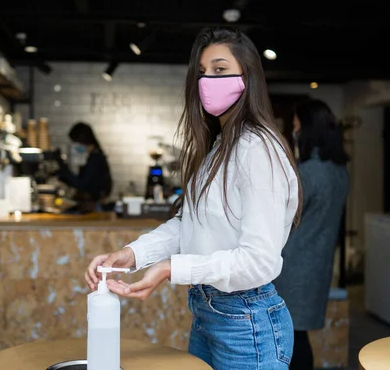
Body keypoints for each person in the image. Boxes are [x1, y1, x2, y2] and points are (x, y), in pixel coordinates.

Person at [84, 28, 302, 370]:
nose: (206, 80)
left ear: (249, 77)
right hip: (207, 312)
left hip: (246, 325)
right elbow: (190, 225)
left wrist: (173, 268)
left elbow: (259, 261)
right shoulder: (220, 146)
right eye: (202, 72)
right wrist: (131, 255)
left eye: (219, 69)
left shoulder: (257, 148)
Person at [272, 99, 350, 370]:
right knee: (297, 335)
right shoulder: (339, 171)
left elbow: (277, 218)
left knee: (289, 340)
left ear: (307, 130)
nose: (293, 132)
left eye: (295, 126)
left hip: (293, 269)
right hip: (318, 266)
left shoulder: (307, 173)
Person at [55, 122, 112, 212]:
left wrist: (64, 171)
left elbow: (82, 184)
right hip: (92, 204)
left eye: (75, 142)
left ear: (82, 140)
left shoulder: (96, 158)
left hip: (92, 206)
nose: (74, 146)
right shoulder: (93, 157)